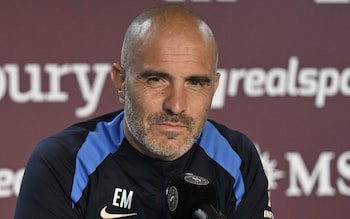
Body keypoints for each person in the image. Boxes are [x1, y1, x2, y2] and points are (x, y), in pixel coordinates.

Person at [14, 3, 273, 219]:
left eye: (195, 83)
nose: (176, 105)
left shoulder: (237, 158)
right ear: (121, 81)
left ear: (214, 87)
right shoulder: (65, 161)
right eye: (156, 80)